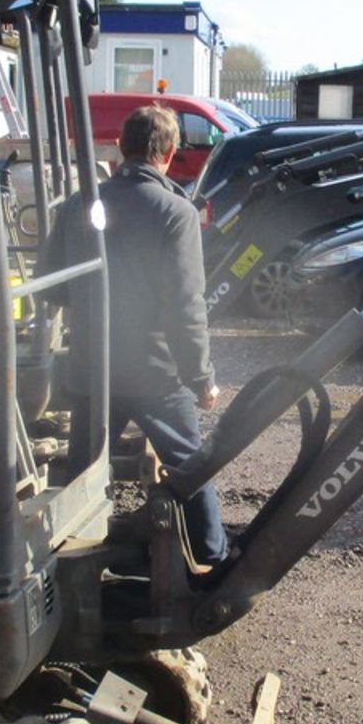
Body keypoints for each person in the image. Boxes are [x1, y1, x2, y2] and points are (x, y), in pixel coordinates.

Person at [42, 104, 228, 567]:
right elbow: (185, 307)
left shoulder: (77, 205)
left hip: (92, 363)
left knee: (83, 468)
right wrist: (201, 377)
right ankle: (212, 554)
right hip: (154, 371)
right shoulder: (175, 212)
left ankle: (66, 554)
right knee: (190, 463)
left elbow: (54, 285)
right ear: (167, 154)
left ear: (122, 149)